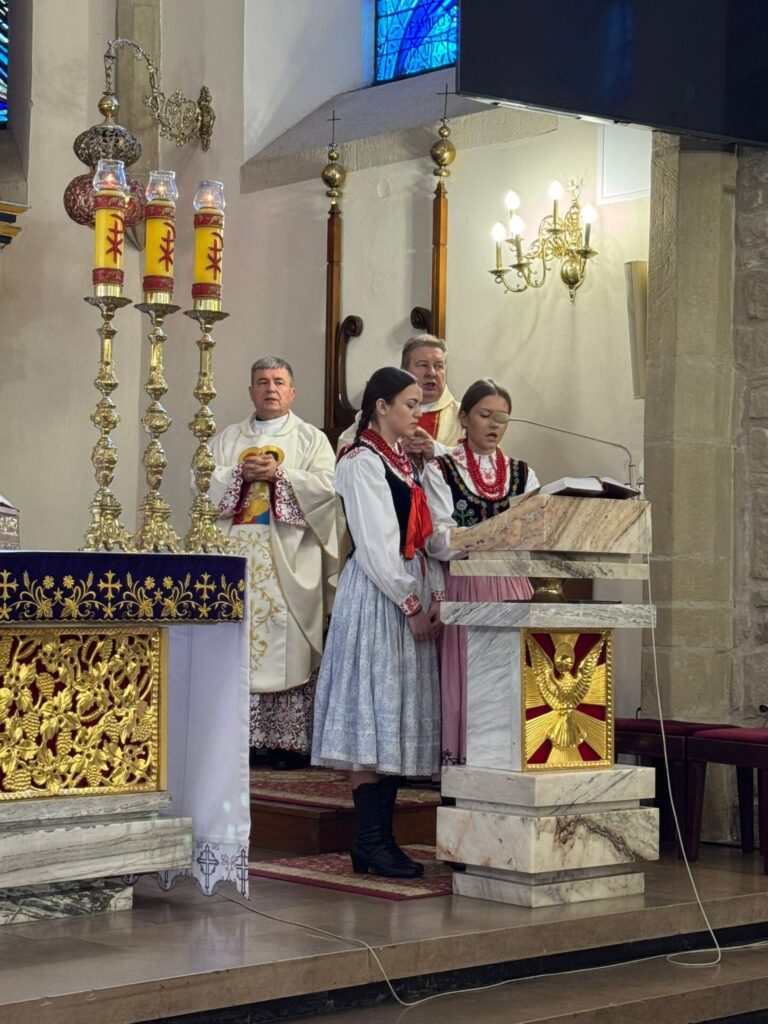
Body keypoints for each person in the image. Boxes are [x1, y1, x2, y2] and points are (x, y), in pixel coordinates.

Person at [312, 367, 443, 878]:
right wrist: (409, 603)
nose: (418, 414)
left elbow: (424, 536)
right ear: (381, 407)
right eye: (410, 404)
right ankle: (369, 840)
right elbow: (374, 544)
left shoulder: (404, 463)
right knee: (374, 712)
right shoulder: (361, 461)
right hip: (378, 596)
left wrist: (434, 593)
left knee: (394, 716)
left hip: (407, 588)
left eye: (420, 405)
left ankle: (378, 840)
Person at [209, 357, 337, 767]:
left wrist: (281, 476)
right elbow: (202, 483)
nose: (270, 388)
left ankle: (286, 743)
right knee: (238, 644)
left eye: (279, 382)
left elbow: (328, 491)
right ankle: (242, 740)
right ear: (251, 392)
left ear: (292, 392)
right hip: (236, 557)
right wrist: (237, 475)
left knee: (289, 646)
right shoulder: (228, 438)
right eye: (262, 382)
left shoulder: (311, 439)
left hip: (289, 556)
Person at [423, 379, 539, 766]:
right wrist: (489, 535)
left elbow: (535, 533)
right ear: (463, 417)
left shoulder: (523, 474)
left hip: (512, 584)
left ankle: (510, 762)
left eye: (502, 418)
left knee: (510, 678)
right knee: (469, 678)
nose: (493, 425)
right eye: (485, 415)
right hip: (466, 582)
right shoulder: (441, 470)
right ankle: (465, 766)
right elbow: (436, 540)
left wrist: (481, 535)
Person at [337, 334, 462, 462]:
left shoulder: (462, 415)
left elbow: (473, 460)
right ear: (404, 371)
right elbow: (346, 453)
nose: (432, 373)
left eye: (439, 366)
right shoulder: (379, 411)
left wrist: (436, 450)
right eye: (423, 365)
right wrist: (393, 448)